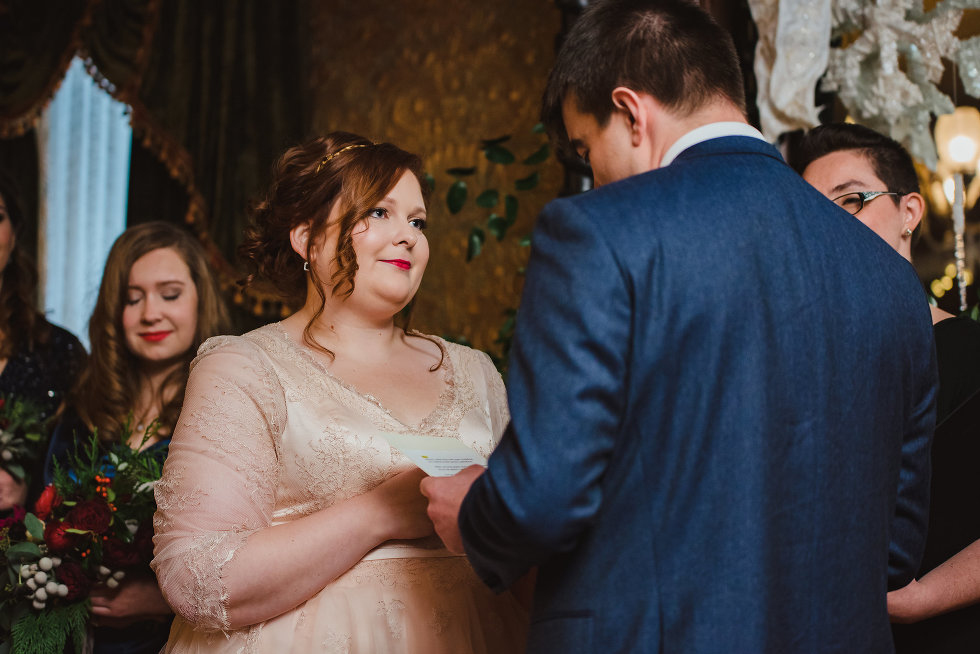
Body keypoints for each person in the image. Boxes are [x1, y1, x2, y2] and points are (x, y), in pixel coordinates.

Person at [420, 1, 937, 652]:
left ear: (633, 113)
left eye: (586, 150)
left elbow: (542, 497)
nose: (594, 174)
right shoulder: (891, 280)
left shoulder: (598, 231)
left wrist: (475, 515)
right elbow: (893, 551)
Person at [151, 132, 528, 653]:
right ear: (305, 237)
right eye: (378, 212)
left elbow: (531, 547)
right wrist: (382, 512)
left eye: (418, 222)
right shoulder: (243, 366)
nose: (408, 237)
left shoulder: (478, 372)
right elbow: (195, 579)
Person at [791, 121, 980, 653]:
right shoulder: (803, 369)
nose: (829, 224)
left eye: (850, 200)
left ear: (909, 213)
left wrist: (924, 599)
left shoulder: (969, 353)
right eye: (811, 212)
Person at [44, 220, 230, 654]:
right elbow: (43, 517)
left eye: (170, 295)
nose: (150, 313)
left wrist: (160, 601)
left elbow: (249, 554)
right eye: (133, 298)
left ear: (201, 300)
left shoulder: (226, 414)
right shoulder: (82, 412)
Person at [0, 171, 85, 512]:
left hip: (26, 555)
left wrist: (34, 489)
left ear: (14, 233)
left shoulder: (57, 351)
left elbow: (86, 470)